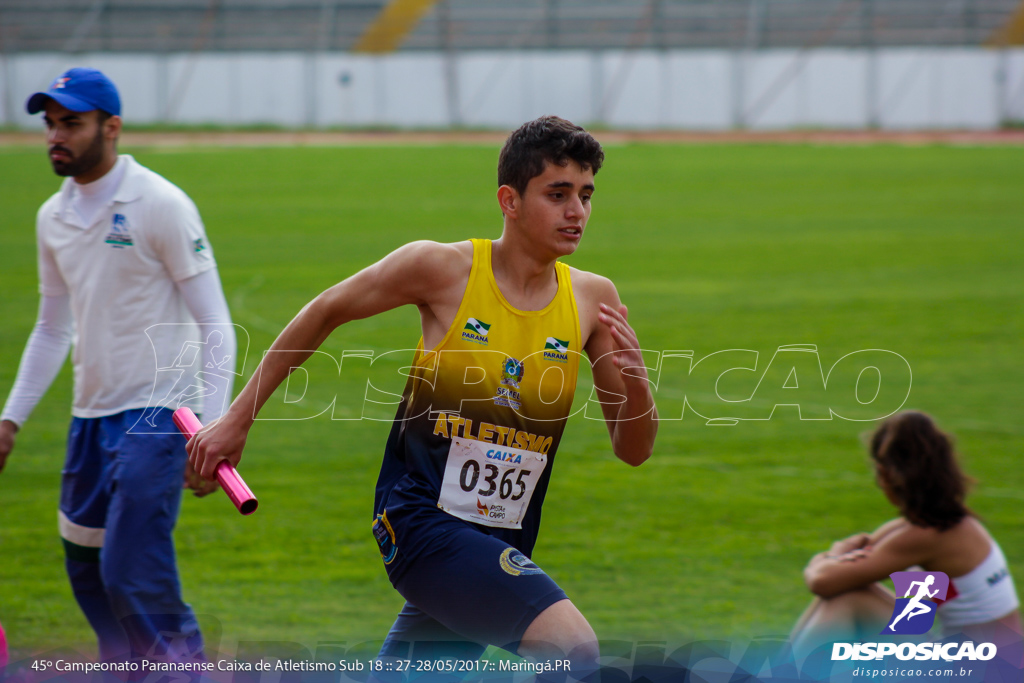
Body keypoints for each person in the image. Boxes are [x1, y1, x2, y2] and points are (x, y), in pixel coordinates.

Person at [187, 115, 658, 673]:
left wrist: (636, 381)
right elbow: (326, 310)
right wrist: (238, 419)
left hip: (501, 537)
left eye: (585, 195)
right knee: (571, 647)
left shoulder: (591, 299)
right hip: (418, 522)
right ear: (509, 199)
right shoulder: (443, 269)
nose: (576, 212)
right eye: (557, 195)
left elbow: (633, 448)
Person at [0, 68, 237, 664]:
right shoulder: (52, 218)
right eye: (50, 124)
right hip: (90, 418)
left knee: (133, 573)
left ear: (112, 128)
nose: (56, 135)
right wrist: (10, 421)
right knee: (87, 574)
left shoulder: (160, 203)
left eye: (71, 124)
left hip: (158, 415)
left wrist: (214, 430)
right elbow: (54, 327)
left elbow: (216, 323)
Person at [791, 411, 1021, 657]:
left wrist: (828, 556)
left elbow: (822, 582)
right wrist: (838, 566)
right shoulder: (952, 526)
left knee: (849, 598)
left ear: (885, 475)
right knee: (850, 591)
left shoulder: (924, 537)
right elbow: (914, 618)